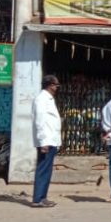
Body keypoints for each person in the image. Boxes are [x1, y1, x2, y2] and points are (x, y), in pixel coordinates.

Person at [32, 74, 62, 208]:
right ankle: (38, 198)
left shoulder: (48, 99)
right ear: (51, 85)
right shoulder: (41, 99)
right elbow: (40, 121)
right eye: (56, 85)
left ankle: (42, 197)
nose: (57, 88)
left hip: (51, 139)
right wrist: (43, 141)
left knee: (47, 170)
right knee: (43, 169)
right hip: (46, 140)